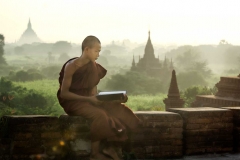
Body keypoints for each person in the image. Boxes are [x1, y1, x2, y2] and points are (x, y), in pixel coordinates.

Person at [57, 36, 141, 160]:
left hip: (89, 99)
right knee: (100, 115)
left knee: (118, 109)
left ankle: (110, 145)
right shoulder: (72, 66)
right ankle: (95, 153)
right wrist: (89, 100)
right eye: (96, 51)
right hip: (72, 102)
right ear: (86, 49)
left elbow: (93, 91)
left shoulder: (93, 66)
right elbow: (64, 93)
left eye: (99, 51)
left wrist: (114, 100)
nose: (98, 54)